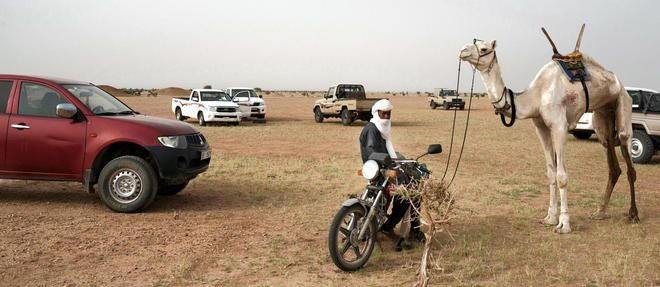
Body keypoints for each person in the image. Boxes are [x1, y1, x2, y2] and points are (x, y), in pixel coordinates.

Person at [359, 99, 424, 250]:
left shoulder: (382, 129)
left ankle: (401, 227)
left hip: (384, 169)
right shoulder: (372, 129)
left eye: (388, 114)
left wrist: (398, 163)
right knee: (408, 194)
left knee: (410, 190)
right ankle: (388, 226)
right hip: (380, 171)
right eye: (383, 114)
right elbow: (372, 152)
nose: (386, 117)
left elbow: (387, 150)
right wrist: (391, 166)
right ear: (377, 113)